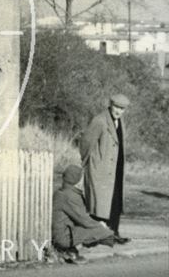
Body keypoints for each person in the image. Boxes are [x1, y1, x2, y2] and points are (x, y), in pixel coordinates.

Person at [79, 94, 131, 243]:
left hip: (116, 169)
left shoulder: (120, 122)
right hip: (100, 170)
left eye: (122, 109)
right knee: (99, 203)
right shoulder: (100, 120)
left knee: (115, 201)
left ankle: (113, 233)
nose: (118, 111)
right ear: (110, 105)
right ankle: (97, 236)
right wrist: (90, 163)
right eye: (116, 107)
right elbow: (85, 143)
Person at [52, 165, 116, 263]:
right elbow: (84, 220)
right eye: (82, 178)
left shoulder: (63, 192)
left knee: (98, 230)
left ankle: (70, 250)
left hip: (63, 232)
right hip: (64, 237)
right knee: (102, 232)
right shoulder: (70, 196)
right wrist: (102, 226)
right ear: (76, 180)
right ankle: (117, 241)